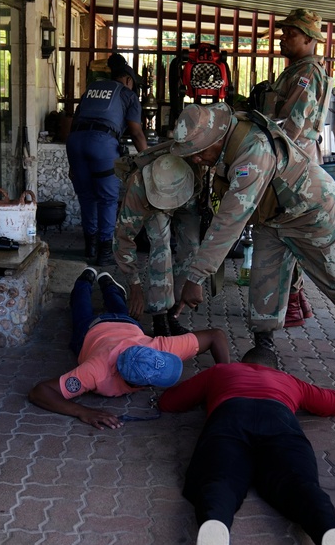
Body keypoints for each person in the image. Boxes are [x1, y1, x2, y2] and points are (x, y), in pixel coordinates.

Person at [170, 102, 335, 379]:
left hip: (312, 211)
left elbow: (230, 220)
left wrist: (195, 277)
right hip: (273, 216)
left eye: (199, 152)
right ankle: (264, 346)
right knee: (264, 280)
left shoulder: (252, 152)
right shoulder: (223, 138)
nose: (196, 159)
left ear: (216, 139)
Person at [158, 346, 335, 545]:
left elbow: (169, 402)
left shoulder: (221, 371)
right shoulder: (289, 380)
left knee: (218, 482)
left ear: (242, 362)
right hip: (279, 421)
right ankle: (330, 531)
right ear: (275, 368)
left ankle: (215, 524)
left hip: (230, 419)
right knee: (300, 485)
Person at [28, 267, 228, 429]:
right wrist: (82, 412)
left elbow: (215, 336)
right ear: (137, 384)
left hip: (126, 324)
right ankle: (84, 279)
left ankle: (107, 283)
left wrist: (228, 375)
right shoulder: (96, 371)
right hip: (91, 330)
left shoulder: (160, 347)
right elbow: (39, 392)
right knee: (80, 309)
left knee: (120, 308)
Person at [261, 8, 335, 328]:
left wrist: (264, 155)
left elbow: (290, 126)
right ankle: (297, 300)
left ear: (308, 39)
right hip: (292, 159)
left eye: (290, 34)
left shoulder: (307, 73)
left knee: (285, 230)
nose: (283, 37)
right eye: (284, 32)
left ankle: (289, 303)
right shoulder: (297, 70)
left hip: (291, 162)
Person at [113, 144, 203, 337]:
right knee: (161, 246)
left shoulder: (197, 169)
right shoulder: (138, 186)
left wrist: (198, 278)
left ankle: (174, 312)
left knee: (192, 247)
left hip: (188, 195)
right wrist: (134, 284)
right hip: (153, 199)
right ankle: (160, 316)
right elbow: (123, 238)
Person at [67, 54, 149, 266]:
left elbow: (74, 120)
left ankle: (90, 246)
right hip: (101, 145)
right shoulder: (127, 96)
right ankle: (104, 253)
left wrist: (71, 164)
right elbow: (136, 133)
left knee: (87, 196)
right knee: (107, 198)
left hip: (75, 142)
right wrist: (148, 162)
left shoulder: (91, 91)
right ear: (128, 80)